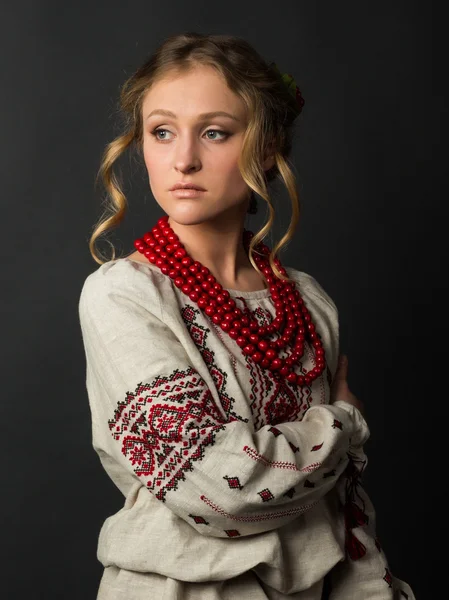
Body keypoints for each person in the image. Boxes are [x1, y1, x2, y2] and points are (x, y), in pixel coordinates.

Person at [78, 32, 415, 600]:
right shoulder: (124, 294)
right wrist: (343, 424)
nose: (183, 159)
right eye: (162, 132)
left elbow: (340, 506)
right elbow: (213, 485)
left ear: (264, 145)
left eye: (215, 132)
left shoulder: (306, 301)